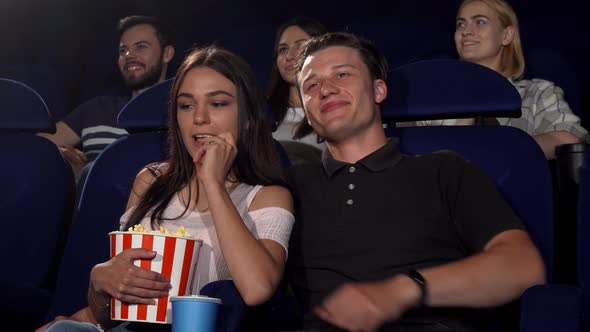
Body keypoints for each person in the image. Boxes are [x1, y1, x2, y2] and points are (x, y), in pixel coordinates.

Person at [286, 32, 545, 332]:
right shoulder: (290, 186)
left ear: (379, 89)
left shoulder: (444, 171)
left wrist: (405, 290)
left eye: (342, 74)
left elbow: (523, 267)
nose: (326, 90)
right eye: (311, 85)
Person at [37, 46, 295, 332]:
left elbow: (257, 289)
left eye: (218, 104)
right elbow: (110, 316)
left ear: (247, 117)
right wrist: (100, 283)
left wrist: (213, 183)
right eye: (186, 105)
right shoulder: (150, 180)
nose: (199, 118)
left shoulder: (267, 195)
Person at [416, 0, 589, 159]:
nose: (466, 31)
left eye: (480, 21)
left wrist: (502, 148)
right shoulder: (434, 100)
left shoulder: (536, 93)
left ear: (506, 35)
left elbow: (568, 138)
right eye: (460, 24)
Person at [38, 15, 176, 180]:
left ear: (167, 54)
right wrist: (65, 162)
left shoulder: (183, 114)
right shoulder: (96, 109)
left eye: (141, 46)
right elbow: (37, 146)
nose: (129, 54)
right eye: (123, 50)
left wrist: (90, 173)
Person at [267, 16, 328, 165]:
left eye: (301, 47)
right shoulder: (261, 114)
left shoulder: (333, 110)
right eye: (283, 49)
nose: (289, 56)